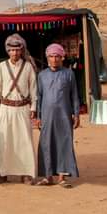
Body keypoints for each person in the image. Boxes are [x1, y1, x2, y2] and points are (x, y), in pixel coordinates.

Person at [0, 34, 38, 185]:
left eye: (17, 50)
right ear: (8, 51)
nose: (14, 53)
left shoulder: (28, 66)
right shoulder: (2, 66)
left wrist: (33, 107)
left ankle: (26, 173)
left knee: (24, 141)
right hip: (6, 108)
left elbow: (33, 88)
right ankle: (2, 173)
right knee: (5, 141)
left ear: (21, 50)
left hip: (23, 108)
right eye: (11, 50)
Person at [35, 43, 81, 188]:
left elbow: (74, 96)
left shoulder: (69, 74)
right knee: (46, 144)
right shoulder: (42, 75)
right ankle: (48, 176)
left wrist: (76, 114)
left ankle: (62, 177)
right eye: (51, 56)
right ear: (47, 58)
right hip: (47, 116)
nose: (54, 59)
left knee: (64, 143)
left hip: (64, 115)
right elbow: (39, 97)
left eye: (57, 56)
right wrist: (38, 116)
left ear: (62, 58)